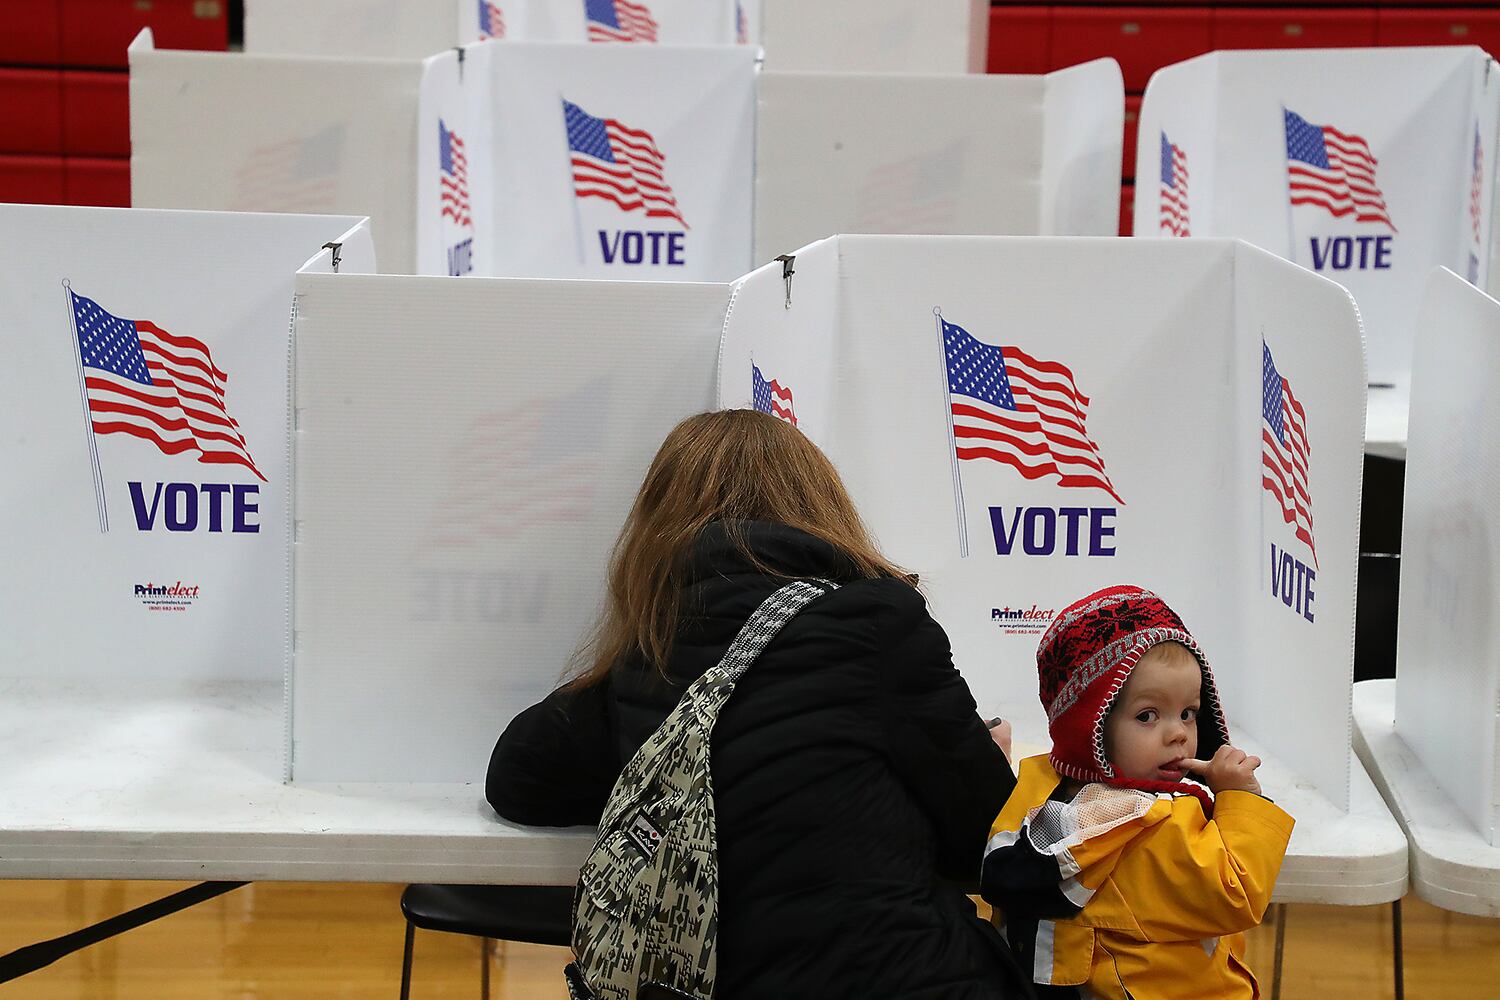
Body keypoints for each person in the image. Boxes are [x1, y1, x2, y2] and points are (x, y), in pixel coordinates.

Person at [487, 408, 1030, 999]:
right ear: (820, 508)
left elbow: (518, 777)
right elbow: (984, 845)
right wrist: (986, 760)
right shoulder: (877, 620)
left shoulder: (654, 647)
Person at [980, 585, 1294, 1000]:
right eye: (1148, 715)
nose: (1179, 733)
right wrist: (1243, 797)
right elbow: (1237, 892)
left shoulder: (1040, 782)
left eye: (1188, 713)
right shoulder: (1144, 824)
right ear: (1090, 724)